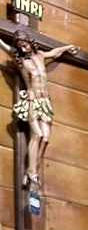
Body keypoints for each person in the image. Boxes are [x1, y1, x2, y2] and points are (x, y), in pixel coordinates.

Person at [0, 31, 77, 193]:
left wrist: (67, 48)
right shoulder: (21, 61)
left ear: (30, 42)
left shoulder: (41, 55)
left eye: (25, 44)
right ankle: (31, 172)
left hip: (45, 102)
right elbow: (5, 47)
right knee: (37, 134)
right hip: (32, 100)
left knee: (46, 138)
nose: (23, 48)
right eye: (20, 46)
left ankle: (33, 171)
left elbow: (54, 53)